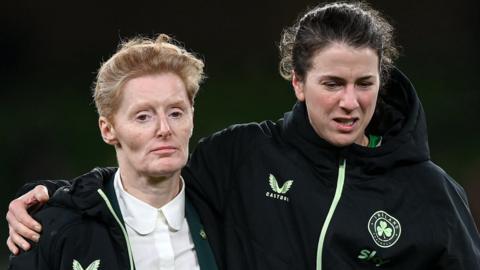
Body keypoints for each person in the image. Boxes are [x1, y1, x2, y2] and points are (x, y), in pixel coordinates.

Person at [7, 1, 480, 269]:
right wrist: (52, 196)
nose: (350, 102)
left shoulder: (431, 192)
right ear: (297, 82)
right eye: (332, 84)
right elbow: (148, 171)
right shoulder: (243, 155)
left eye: (365, 84)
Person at [7, 34, 218, 270]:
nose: (164, 129)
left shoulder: (225, 212)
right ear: (108, 130)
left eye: (176, 113)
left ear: (192, 116)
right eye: (143, 117)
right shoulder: (52, 228)